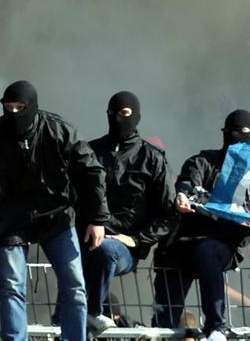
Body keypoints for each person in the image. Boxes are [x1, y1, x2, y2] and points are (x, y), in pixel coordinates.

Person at [0, 81, 108, 341]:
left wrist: (98, 218)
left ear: (33, 106)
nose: (15, 113)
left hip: (56, 215)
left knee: (75, 287)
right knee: (11, 288)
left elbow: (92, 172)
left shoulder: (59, 130)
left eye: (21, 107)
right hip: (8, 219)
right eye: (9, 107)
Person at [154, 110, 250, 340]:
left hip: (223, 244)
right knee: (164, 324)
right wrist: (183, 194)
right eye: (237, 134)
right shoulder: (202, 161)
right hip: (181, 246)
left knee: (208, 250)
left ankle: (216, 327)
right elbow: (187, 182)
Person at [80, 91, 173, 332]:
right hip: (85, 238)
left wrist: (135, 239)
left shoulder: (152, 158)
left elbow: (169, 214)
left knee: (106, 251)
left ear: (136, 116)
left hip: (123, 248)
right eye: (112, 113)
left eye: (124, 113)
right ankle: (63, 319)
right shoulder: (91, 151)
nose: (118, 118)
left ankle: (93, 311)